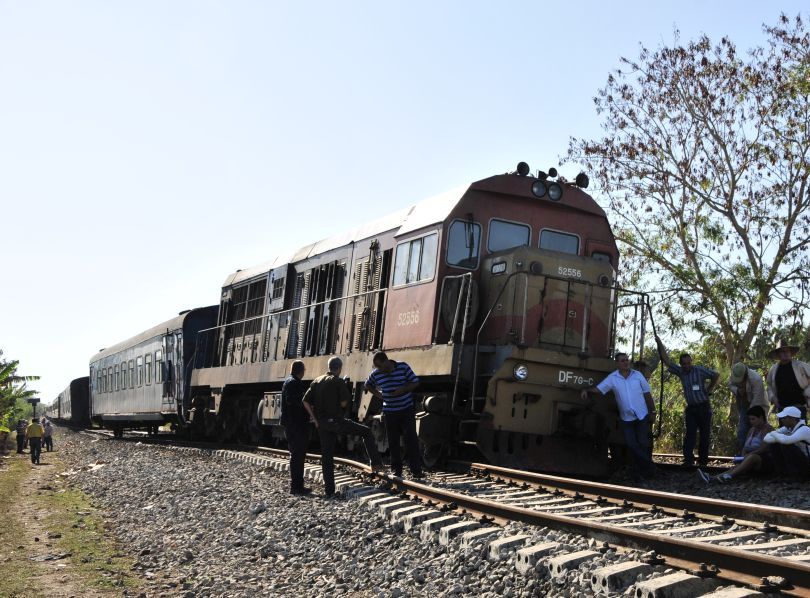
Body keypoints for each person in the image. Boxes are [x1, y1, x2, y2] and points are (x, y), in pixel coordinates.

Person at [303, 356, 384, 497]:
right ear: (339, 368)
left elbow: (305, 401)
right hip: (337, 422)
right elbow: (344, 403)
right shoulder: (338, 382)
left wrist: (315, 419)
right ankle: (375, 464)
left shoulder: (316, 381)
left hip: (322, 424)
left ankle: (329, 491)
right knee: (365, 432)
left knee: (327, 456)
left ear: (329, 367)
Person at [581, 353, 657, 479]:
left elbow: (647, 395)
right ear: (617, 363)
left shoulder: (638, 376)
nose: (626, 362)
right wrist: (586, 389)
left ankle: (642, 472)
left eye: (627, 360)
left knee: (643, 443)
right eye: (622, 361)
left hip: (641, 415)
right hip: (626, 418)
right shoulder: (613, 378)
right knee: (632, 445)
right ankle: (649, 467)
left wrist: (653, 412)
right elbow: (600, 389)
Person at [655, 336, 719, 467]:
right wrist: (659, 343)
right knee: (690, 433)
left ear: (691, 361)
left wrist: (710, 388)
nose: (686, 366)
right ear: (681, 364)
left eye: (688, 363)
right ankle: (688, 459)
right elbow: (666, 360)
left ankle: (703, 461)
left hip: (703, 406)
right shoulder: (681, 372)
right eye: (684, 364)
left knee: (704, 434)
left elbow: (716, 375)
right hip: (691, 408)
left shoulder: (699, 370)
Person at [364, 351, 423, 478]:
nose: (379, 370)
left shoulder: (403, 367)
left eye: (380, 366)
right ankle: (396, 470)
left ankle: (416, 470)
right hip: (390, 411)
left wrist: (403, 389)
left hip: (406, 409)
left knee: (411, 439)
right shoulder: (377, 373)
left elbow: (415, 382)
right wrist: (378, 395)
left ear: (386, 361)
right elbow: (367, 385)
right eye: (377, 367)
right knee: (393, 441)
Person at [698, 405, 773, 483]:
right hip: (749, 459)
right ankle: (712, 478)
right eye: (750, 419)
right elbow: (745, 447)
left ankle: (729, 476)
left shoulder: (768, 430)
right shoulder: (752, 430)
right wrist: (742, 457)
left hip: (763, 460)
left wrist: (748, 455)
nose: (751, 421)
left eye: (753, 419)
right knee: (737, 467)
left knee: (752, 457)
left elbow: (764, 448)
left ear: (761, 417)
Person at [280, 360, 311, 495]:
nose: (304, 372)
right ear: (301, 370)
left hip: (292, 424)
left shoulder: (289, 381)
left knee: (297, 455)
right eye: (304, 369)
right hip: (296, 424)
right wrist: (306, 407)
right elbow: (292, 401)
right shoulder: (294, 383)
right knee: (297, 455)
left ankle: (298, 485)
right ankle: (296, 487)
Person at [728, 362, 768, 453]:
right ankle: (741, 457)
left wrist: (751, 418)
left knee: (759, 431)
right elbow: (730, 384)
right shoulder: (735, 373)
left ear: (745, 374)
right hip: (744, 405)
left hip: (758, 408)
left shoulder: (756, 379)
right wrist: (738, 391)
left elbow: (757, 401)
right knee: (742, 432)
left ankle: (759, 456)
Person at [766, 339, 810, 420]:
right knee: (783, 431)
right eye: (782, 351)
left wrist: (807, 393)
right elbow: (769, 386)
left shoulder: (800, 366)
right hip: (782, 408)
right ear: (778, 354)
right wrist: (773, 398)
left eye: (787, 351)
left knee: (800, 431)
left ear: (790, 352)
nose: (785, 353)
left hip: (799, 407)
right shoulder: (774, 369)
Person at [763, 405, 810, 478]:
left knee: (786, 445)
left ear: (792, 419)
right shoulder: (787, 428)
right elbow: (766, 438)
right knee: (773, 444)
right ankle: (782, 473)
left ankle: (796, 475)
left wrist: (773, 433)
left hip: (807, 463)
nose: (782, 420)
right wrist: (776, 436)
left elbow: (786, 441)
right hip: (800, 461)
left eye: (784, 418)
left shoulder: (804, 429)